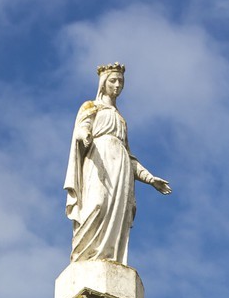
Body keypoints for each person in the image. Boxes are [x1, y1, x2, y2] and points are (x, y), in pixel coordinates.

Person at [63, 64, 171, 265]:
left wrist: (150, 179)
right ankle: (84, 257)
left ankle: (110, 257)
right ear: (104, 83)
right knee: (96, 204)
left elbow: (130, 158)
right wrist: (84, 135)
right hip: (98, 159)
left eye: (121, 81)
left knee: (118, 214)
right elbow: (82, 127)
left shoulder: (121, 120)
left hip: (120, 166)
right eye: (113, 80)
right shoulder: (91, 106)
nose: (117, 85)